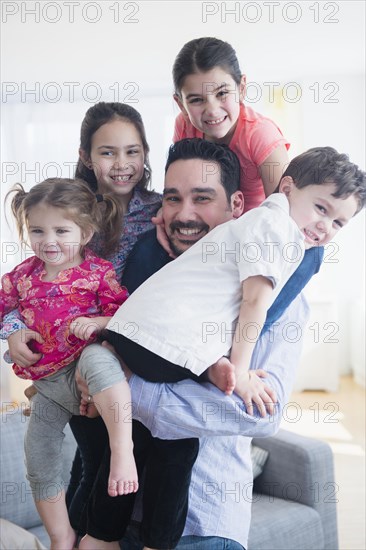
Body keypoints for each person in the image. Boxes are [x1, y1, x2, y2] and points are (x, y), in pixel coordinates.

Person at [79, 141, 365, 550]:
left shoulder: (283, 291)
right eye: (173, 198)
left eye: (202, 198)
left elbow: (259, 412)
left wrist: (120, 391)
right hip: (117, 509)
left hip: (202, 520)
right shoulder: (148, 275)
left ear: (235, 206)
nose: (185, 213)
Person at [0, 102, 162, 530]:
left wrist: (108, 348)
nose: (122, 164)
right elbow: (25, 290)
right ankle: (68, 535)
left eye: (133, 151)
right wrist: (14, 331)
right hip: (63, 362)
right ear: (86, 155)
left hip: (118, 351)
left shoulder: (162, 211)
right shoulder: (67, 203)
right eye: (107, 152)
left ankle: (97, 535)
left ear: (146, 152)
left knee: (110, 460)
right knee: (88, 460)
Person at [0, 178, 140, 550]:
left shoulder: (97, 273)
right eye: (37, 230)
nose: (49, 240)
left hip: (84, 365)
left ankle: (122, 453)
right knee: (38, 454)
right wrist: (13, 332)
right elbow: (4, 310)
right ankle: (61, 536)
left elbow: (126, 316)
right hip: (47, 384)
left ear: (86, 231)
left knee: (100, 360)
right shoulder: (20, 277)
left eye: (61, 230)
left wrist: (97, 323)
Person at [172, 37, 290, 212]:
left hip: (254, 233)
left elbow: (283, 215)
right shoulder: (184, 125)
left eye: (222, 93)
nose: (212, 110)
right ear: (181, 105)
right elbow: (180, 189)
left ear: (241, 89)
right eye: (197, 100)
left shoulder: (261, 135)